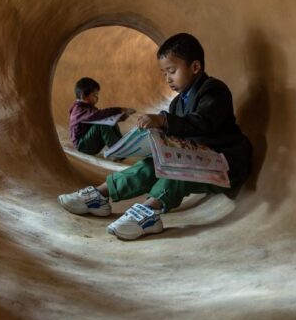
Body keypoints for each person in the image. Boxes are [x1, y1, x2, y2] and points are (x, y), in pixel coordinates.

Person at [58, 33, 253, 240]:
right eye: (164, 73)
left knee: (179, 169)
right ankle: (100, 195)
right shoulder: (177, 103)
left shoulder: (214, 90)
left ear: (195, 67)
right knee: (154, 163)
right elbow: (177, 135)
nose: (167, 78)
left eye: (172, 71)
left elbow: (203, 122)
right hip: (196, 159)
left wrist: (164, 121)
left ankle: (150, 211)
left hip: (227, 162)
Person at [69, 77, 135, 156]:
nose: (97, 97)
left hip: (93, 144)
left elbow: (103, 118)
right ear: (84, 96)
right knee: (102, 124)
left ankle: (123, 146)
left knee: (110, 123)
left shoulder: (89, 107)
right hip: (82, 146)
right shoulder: (78, 110)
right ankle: (118, 152)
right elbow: (98, 115)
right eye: (94, 95)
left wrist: (120, 117)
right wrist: (118, 110)